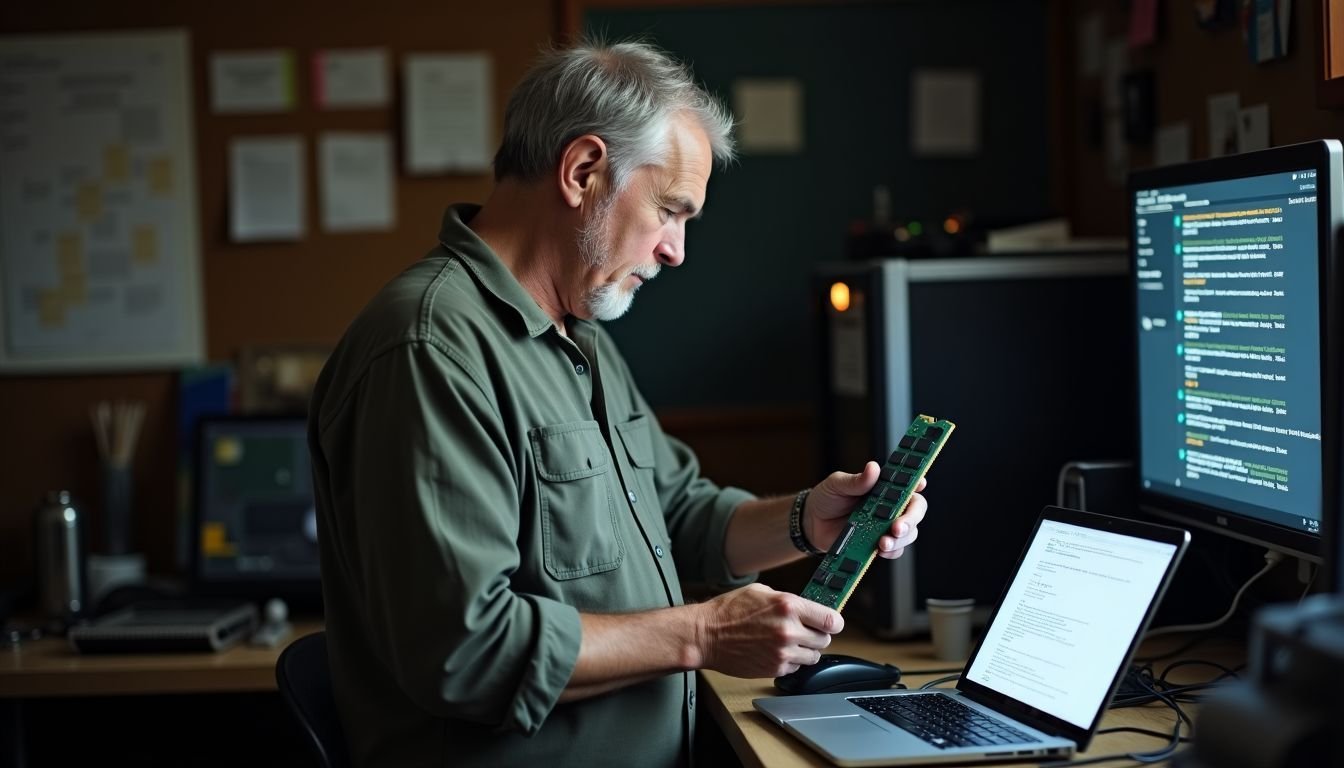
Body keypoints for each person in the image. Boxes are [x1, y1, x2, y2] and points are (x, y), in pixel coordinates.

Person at [307, 38, 928, 768]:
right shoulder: (429, 352)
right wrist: (701, 635)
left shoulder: (576, 333)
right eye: (670, 210)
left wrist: (809, 521)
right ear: (583, 171)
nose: (677, 250)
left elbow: (680, 515)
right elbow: (466, 650)